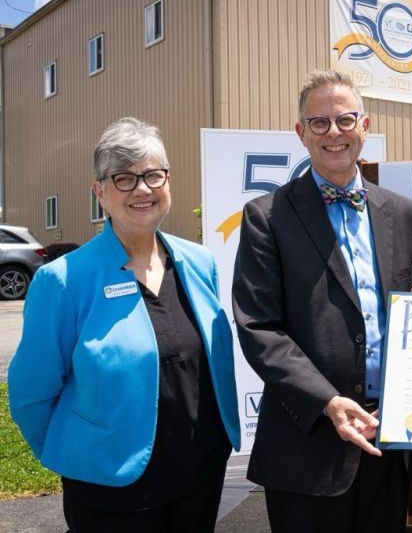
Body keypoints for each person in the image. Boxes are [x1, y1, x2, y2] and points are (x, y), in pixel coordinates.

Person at [9, 117, 241, 532]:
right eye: (124, 178)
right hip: (109, 488)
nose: (142, 189)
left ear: (168, 181)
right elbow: (31, 395)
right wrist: (78, 455)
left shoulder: (199, 262)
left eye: (153, 174)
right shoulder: (64, 281)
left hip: (200, 475)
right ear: (99, 191)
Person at [232, 69, 412, 533]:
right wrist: (327, 401)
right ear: (301, 133)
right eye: (319, 123)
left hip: (391, 441)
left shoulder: (408, 217)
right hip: (307, 446)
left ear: (365, 126)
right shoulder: (267, 217)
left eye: (345, 120)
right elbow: (258, 327)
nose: (334, 133)